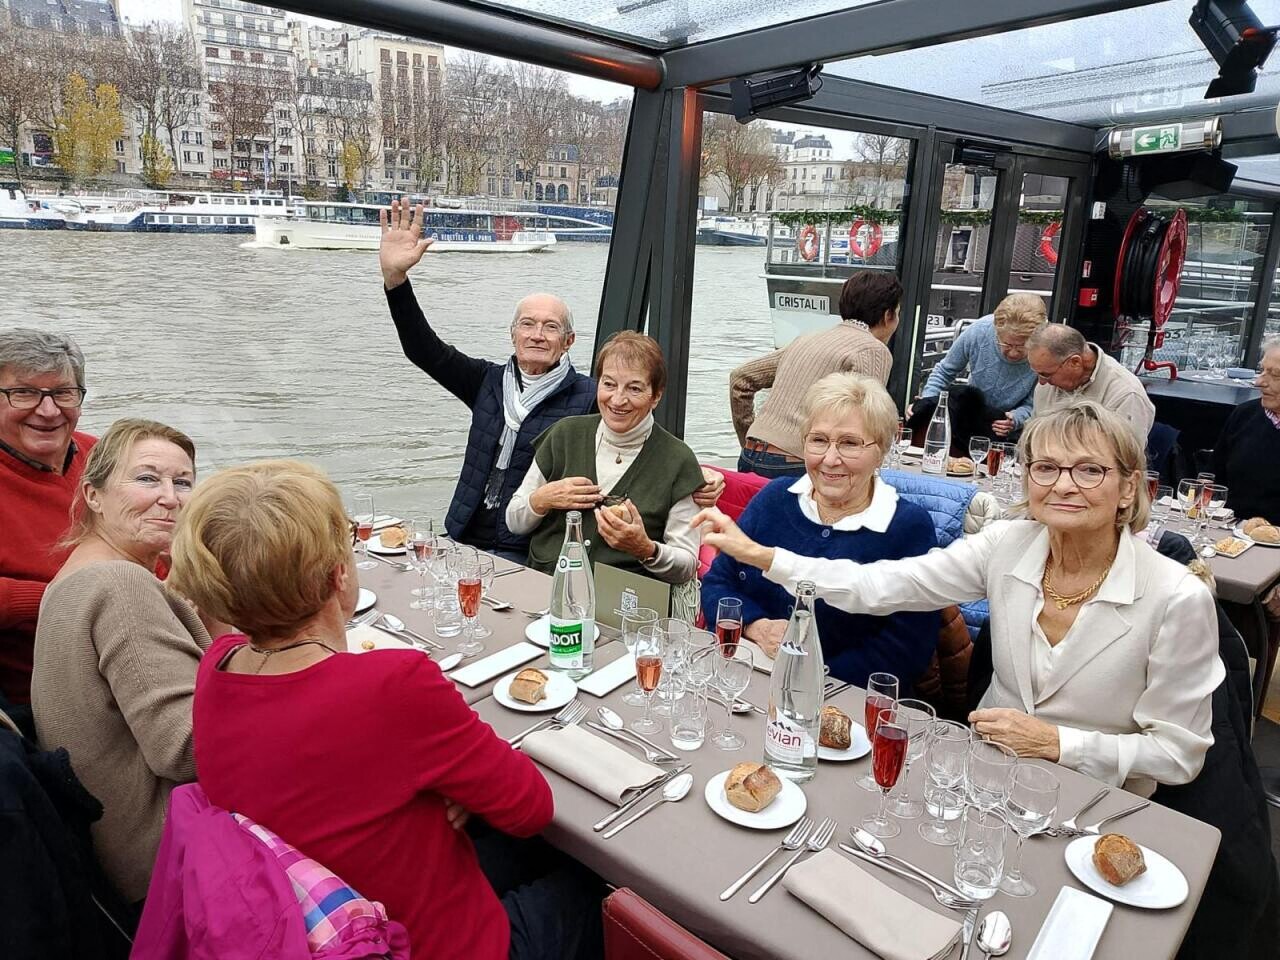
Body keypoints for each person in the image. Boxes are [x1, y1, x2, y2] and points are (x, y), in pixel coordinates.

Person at [171, 460, 601, 960]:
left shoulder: (218, 666)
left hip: (305, 916)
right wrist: (443, 780)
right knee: (593, 888)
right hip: (423, 944)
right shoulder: (393, 685)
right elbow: (531, 808)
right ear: (339, 575)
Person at [694, 401, 1221, 796]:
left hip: (1099, 803)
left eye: (1089, 470)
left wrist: (1057, 744)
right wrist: (762, 556)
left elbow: (1178, 755)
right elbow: (880, 585)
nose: (1063, 485)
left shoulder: (1176, 598)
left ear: (1129, 488)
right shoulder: (1007, 544)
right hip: (979, 777)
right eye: (1045, 467)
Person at [380, 198, 722, 563]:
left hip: (527, 551)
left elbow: (640, 438)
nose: (537, 335)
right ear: (513, 334)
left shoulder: (591, 396)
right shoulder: (485, 382)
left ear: (569, 341)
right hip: (463, 535)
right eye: (527, 324)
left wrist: (702, 477)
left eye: (551, 327)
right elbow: (424, 350)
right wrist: (395, 281)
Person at [31, 418, 209, 907]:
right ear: (93, 495)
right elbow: (189, 750)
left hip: (109, 855)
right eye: (147, 478)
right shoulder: (121, 586)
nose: (170, 498)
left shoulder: (77, 574)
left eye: (183, 482)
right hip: (167, 862)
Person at [701, 372, 939, 688]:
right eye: (819, 440)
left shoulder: (907, 528)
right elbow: (718, 582)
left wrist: (806, 675)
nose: (830, 459)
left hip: (839, 696)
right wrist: (756, 626)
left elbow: (906, 651)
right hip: (745, 677)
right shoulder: (774, 499)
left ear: (881, 449)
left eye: (850, 443)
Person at [507, 332, 704, 586]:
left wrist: (645, 548)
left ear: (656, 396)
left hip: (621, 601)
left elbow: (686, 565)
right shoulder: (564, 434)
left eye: (634, 388)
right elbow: (514, 522)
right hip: (545, 587)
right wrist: (542, 499)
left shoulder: (678, 460)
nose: (618, 400)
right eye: (609, 384)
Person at [0, 328, 97, 705]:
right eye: (24, 393)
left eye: (63, 393)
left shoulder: (106, 457)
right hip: (40, 693)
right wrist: (63, 598)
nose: (48, 410)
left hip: (138, 644)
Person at [730, 271, 902, 479]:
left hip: (750, 455)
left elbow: (740, 379)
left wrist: (749, 436)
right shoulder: (873, 350)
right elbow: (866, 424)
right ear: (888, 315)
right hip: (797, 463)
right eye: (897, 313)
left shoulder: (806, 339)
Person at [909, 292, 1047, 444]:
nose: (1013, 352)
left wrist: (1016, 418)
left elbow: (1035, 403)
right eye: (1006, 344)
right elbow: (944, 372)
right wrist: (926, 404)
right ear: (996, 331)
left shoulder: (1046, 347)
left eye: (1022, 346)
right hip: (970, 420)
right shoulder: (979, 331)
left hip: (1011, 434)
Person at [1027, 323, 1155, 446]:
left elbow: (1125, 456)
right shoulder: (1048, 382)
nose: (1041, 382)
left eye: (1046, 374)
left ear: (1075, 362)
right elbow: (1031, 439)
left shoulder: (1126, 394)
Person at [1211, 336, 1280, 524]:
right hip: (1228, 529)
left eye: (1275, 375)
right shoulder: (1245, 414)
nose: (1259, 382)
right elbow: (1213, 477)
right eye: (1262, 370)